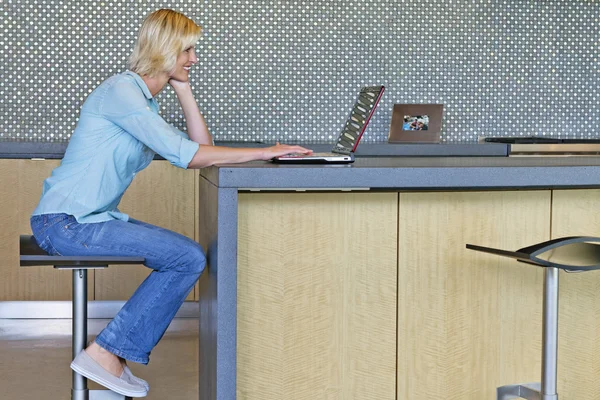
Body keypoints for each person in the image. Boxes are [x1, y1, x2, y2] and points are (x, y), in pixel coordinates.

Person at [29, 9, 311, 398]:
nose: (194, 59)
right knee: (187, 257)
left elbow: (200, 146)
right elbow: (191, 155)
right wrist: (266, 151)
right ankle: (107, 352)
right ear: (166, 49)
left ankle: (111, 352)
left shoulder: (142, 102)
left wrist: (184, 88)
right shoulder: (122, 92)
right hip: (66, 224)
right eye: (188, 51)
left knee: (188, 255)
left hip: (87, 219)